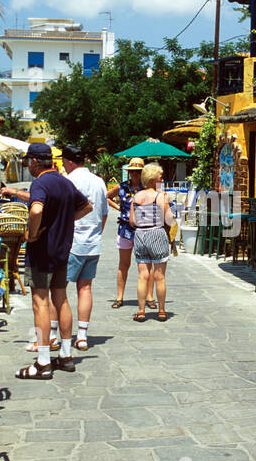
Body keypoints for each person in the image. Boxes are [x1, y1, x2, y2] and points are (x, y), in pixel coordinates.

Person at [15, 142, 92, 380]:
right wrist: (65, 221)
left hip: (42, 253)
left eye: (29, 161)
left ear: (35, 162)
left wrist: (34, 232)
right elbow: (86, 207)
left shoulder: (40, 183)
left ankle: (43, 361)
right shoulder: (65, 182)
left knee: (40, 303)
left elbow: (36, 210)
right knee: (62, 300)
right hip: (62, 251)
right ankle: (66, 356)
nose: (28, 165)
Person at [60, 142, 108, 350]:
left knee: (59, 290)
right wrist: (97, 233)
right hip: (93, 242)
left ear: (69, 161)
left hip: (71, 242)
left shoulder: (67, 182)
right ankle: (82, 335)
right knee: (85, 288)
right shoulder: (99, 182)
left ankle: (56, 335)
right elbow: (104, 214)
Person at [107, 159, 155, 309]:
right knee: (124, 264)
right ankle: (120, 297)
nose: (134, 174)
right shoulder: (121, 187)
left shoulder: (148, 188)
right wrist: (119, 208)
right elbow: (106, 196)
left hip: (144, 229)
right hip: (125, 229)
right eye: (132, 171)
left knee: (147, 265)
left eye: (138, 171)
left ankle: (150, 297)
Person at [130, 163, 174, 321]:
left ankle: (141, 311)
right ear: (153, 179)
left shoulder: (136, 196)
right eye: (160, 176)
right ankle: (161, 310)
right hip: (156, 233)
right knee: (159, 276)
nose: (162, 178)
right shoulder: (159, 196)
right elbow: (169, 218)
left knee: (143, 276)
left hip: (140, 235)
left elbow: (132, 221)